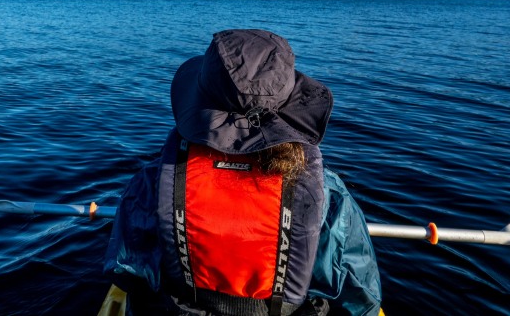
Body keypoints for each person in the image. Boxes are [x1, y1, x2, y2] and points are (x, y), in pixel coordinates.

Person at [104, 29, 381, 315]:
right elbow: (358, 295)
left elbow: (126, 272)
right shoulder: (326, 192)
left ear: (200, 103)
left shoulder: (152, 181)